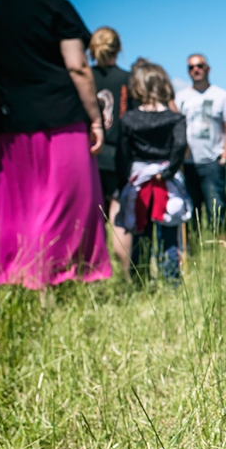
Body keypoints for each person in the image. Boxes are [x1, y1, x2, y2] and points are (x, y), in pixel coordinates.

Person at [0, 0, 111, 290]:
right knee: (67, 204)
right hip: (60, 121)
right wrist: (95, 119)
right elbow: (78, 67)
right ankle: (49, 280)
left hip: (6, 127)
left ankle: (15, 280)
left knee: (14, 210)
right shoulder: (57, 8)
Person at [115, 59, 189, 282]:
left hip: (139, 181)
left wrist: (123, 184)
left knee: (140, 233)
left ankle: (139, 281)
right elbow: (180, 146)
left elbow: (122, 154)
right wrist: (167, 172)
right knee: (169, 233)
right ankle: (171, 281)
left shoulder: (129, 119)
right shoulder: (175, 118)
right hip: (167, 181)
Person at [175, 53, 226, 238]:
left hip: (212, 162)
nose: (196, 70)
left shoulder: (221, 95)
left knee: (216, 207)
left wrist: (224, 157)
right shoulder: (180, 97)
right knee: (190, 211)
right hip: (187, 163)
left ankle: (221, 250)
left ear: (208, 69)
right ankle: (192, 251)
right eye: (191, 67)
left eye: (199, 65)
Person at [90, 26, 134, 276]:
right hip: (118, 157)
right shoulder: (127, 79)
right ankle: (128, 274)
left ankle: (93, 276)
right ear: (119, 48)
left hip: (89, 155)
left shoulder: (85, 77)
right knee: (118, 218)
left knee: (91, 218)